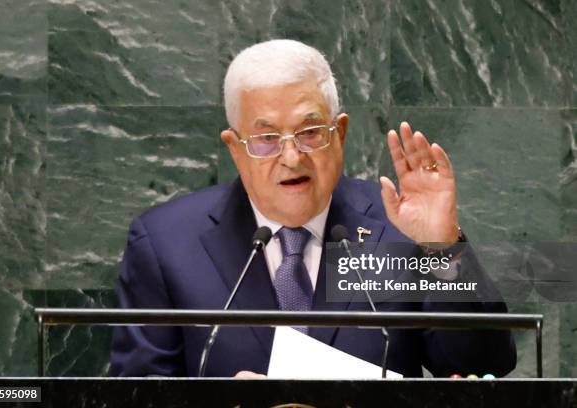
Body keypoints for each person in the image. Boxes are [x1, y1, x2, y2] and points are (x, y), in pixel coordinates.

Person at [110, 39, 516, 378]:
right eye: (266, 138)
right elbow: (138, 394)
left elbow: (484, 365)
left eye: (309, 133)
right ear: (235, 149)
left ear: (339, 133)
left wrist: (442, 247)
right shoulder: (165, 245)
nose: (291, 156)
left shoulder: (398, 227)